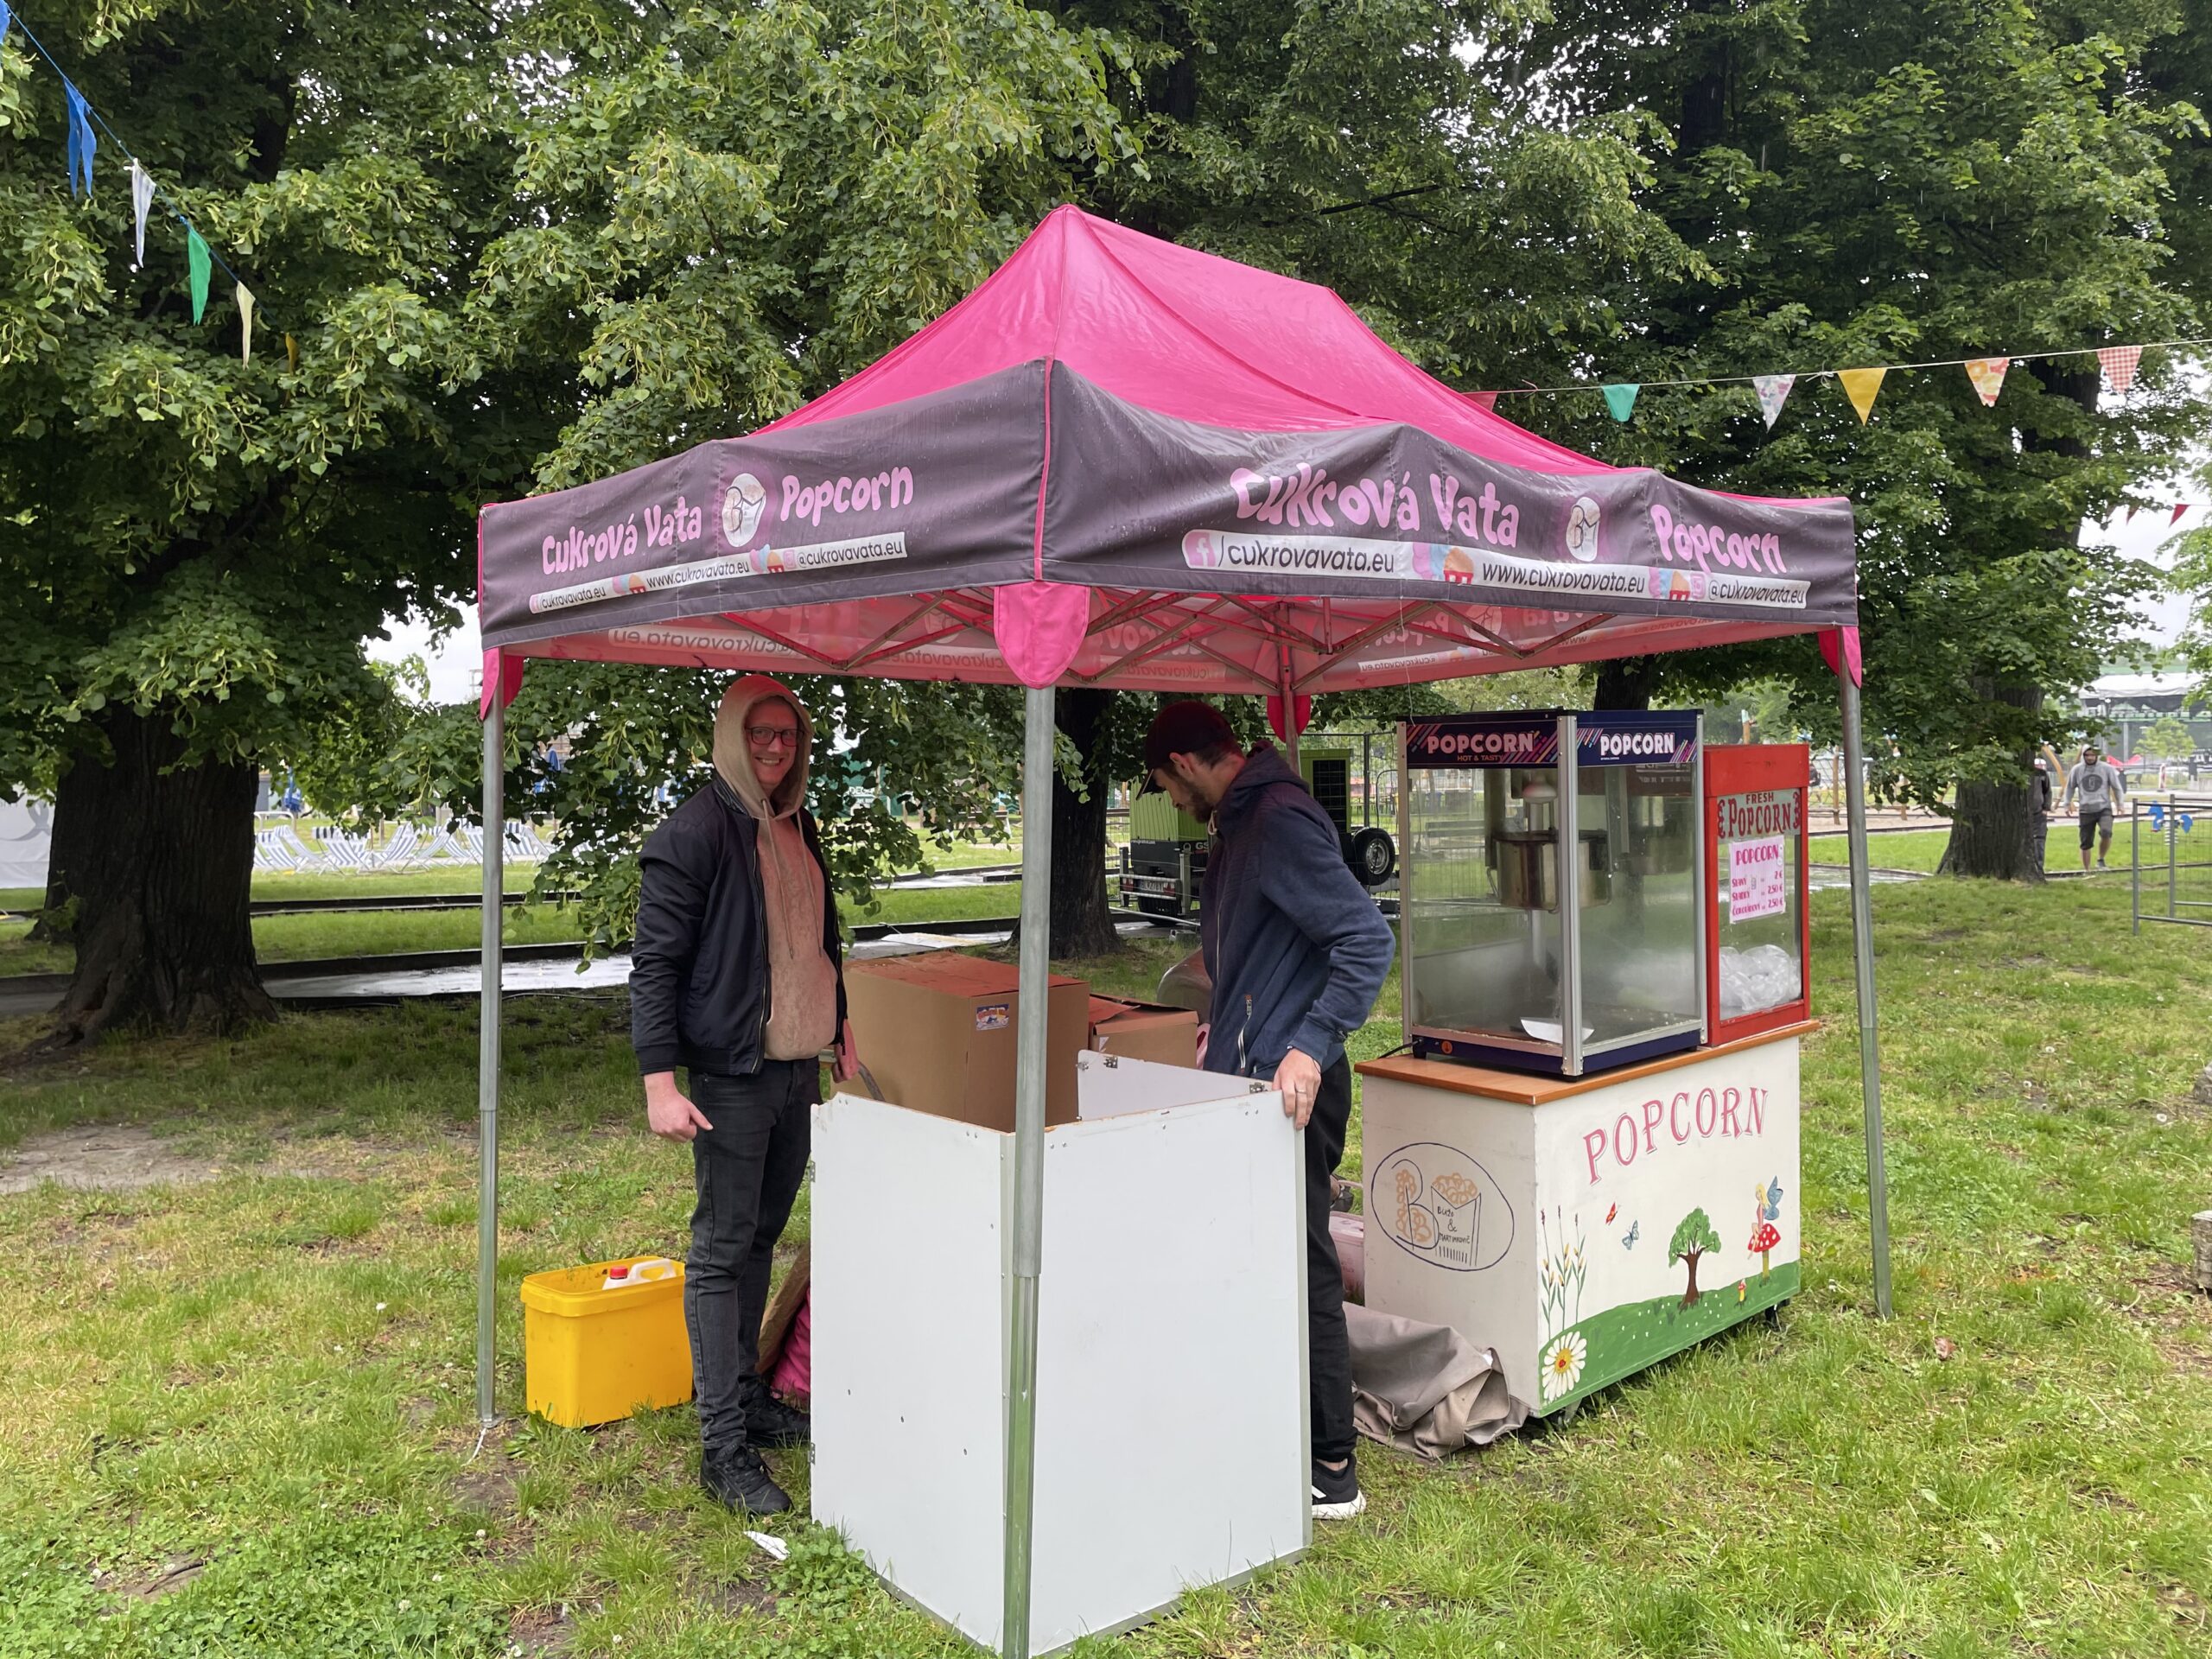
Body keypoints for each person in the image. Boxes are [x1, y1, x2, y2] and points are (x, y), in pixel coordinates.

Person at [1141, 700, 1395, 1520]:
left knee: (1302, 1262)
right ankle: (1268, 1425)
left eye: (1163, 787)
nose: (1171, 806)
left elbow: (1365, 939)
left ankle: (1331, 1466)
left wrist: (1306, 1042)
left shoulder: (1277, 821)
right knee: (1252, 1257)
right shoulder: (1242, 823)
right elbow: (1263, 951)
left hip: (1293, 1088)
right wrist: (1227, 1021)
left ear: (1184, 763)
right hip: (1251, 1076)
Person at [631, 675, 859, 1516]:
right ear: (731, 735)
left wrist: (842, 1027)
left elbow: (815, 944)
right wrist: (660, 1080)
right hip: (731, 1074)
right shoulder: (692, 835)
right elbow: (655, 966)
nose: (774, 748)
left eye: (789, 736)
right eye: (759, 734)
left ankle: (749, 1395)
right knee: (723, 1250)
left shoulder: (795, 826)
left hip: (796, 1071)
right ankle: (721, 1446)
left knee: (762, 1236)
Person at [2063, 741, 2126, 871]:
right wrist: (2066, 804)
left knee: (2106, 832)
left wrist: (2120, 805)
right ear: (2083, 756)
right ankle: (2087, 870)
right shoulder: (2077, 770)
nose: (2090, 758)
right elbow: (2069, 788)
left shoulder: (2106, 769)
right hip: (2086, 809)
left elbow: (2117, 787)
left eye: (2093, 755)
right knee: (2086, 842)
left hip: (2104, 808)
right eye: (2087, 755)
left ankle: (2101, 859)